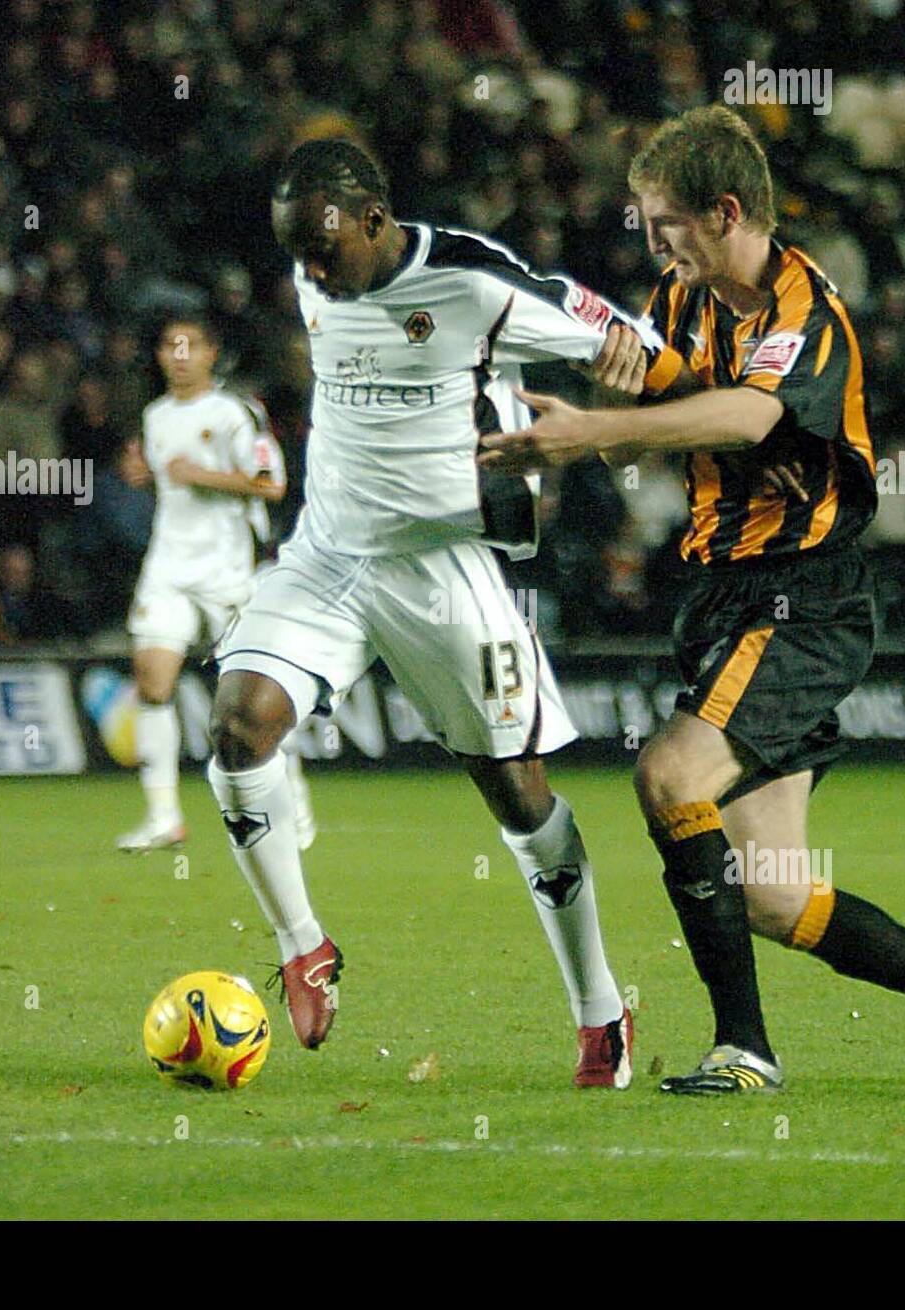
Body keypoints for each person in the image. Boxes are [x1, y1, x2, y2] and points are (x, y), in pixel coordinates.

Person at [480, 106, 905, 1094]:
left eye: (666, 225)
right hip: (724, 600)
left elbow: (746, 414)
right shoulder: (685, 303)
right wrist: (607, 405)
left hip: (801, 601)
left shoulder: (804, 309)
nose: (654, 245)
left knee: (669, 775)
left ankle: (744, 1047)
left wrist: (596, 426)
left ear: (724, 212)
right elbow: (682, 399)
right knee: (772, 896)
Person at [207, 138, 652, 1086]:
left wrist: (611, 425)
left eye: (324, 252)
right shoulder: (314, 272)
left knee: (518, 799)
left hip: (443, 574)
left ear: (375, 221)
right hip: (326, 558)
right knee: (239, 727)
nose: (312, 273)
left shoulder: (473, 283)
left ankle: (599, 1011)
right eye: (299, 255)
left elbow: (628, 351)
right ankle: (303, 945)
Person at [117, 316, 314, 851]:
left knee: (256, 696)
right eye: (169, 345)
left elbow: (272, 485)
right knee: (153, 683)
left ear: (210, 354)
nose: (179, 355)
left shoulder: (234, 412)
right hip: (169, 568)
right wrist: (148, 476)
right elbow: (168, 481)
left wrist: (200, 476)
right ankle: (163, 817)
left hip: (231, 571)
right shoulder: (154, 416)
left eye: (190, 346)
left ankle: (292, 798)